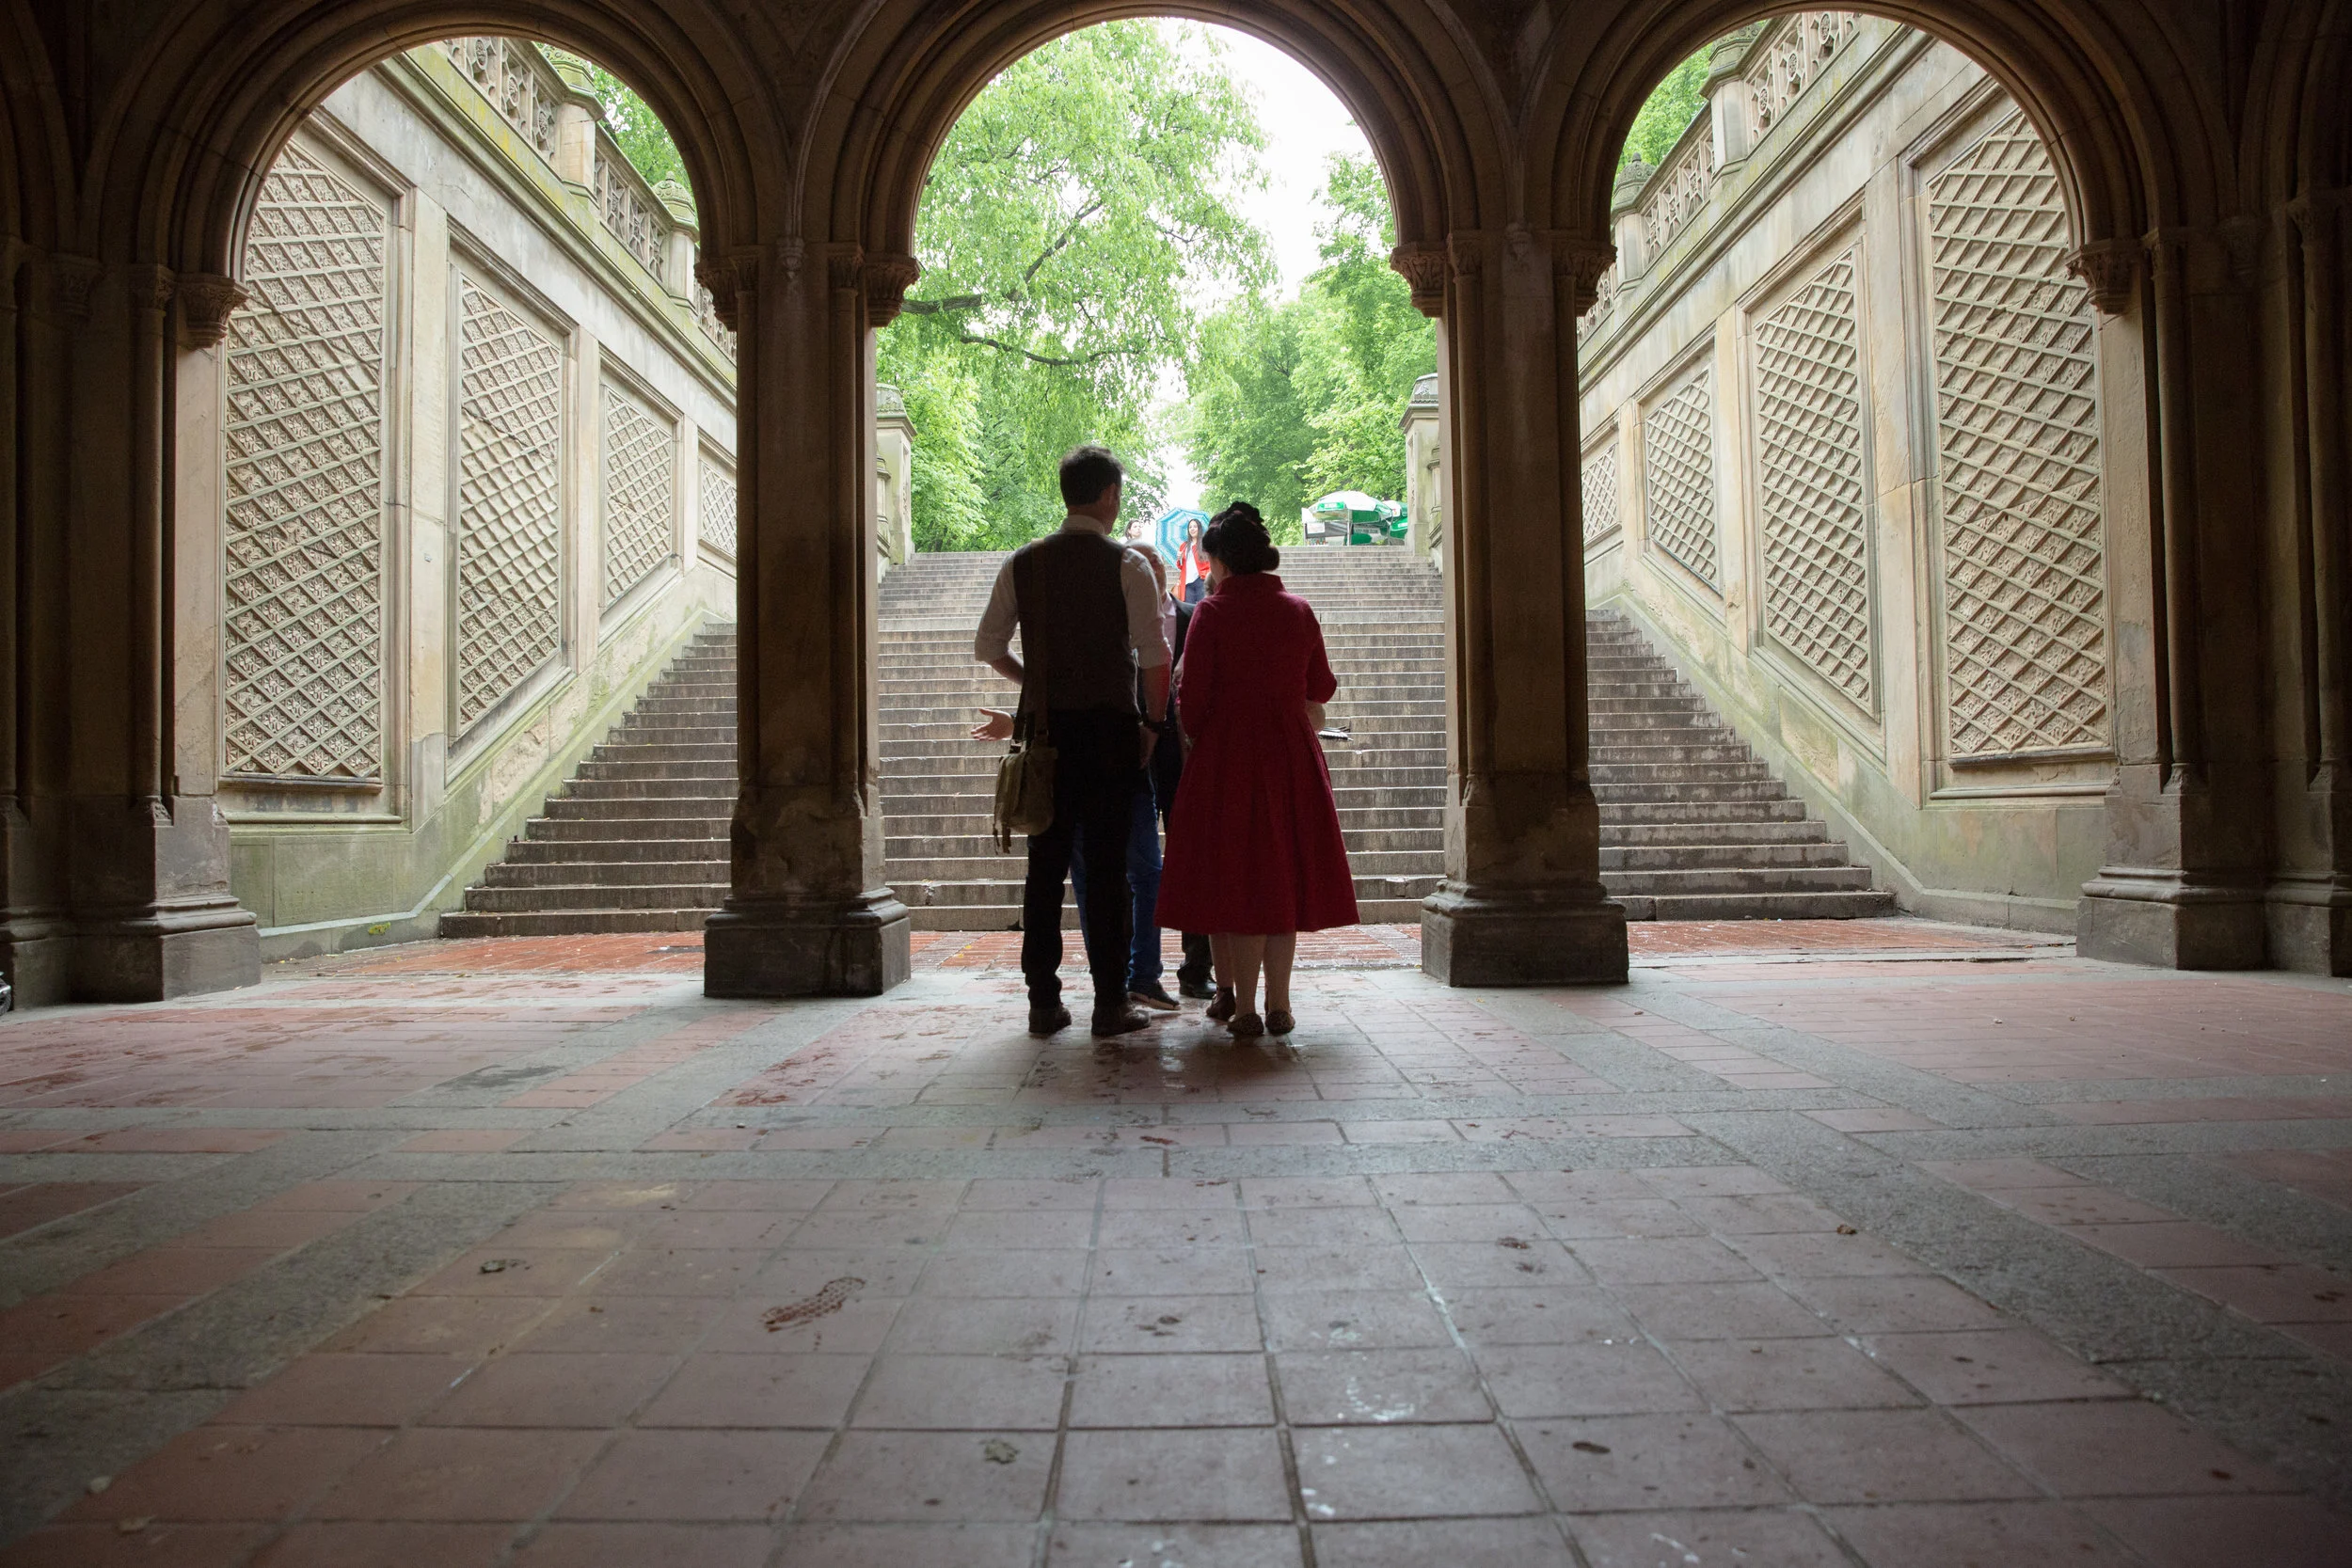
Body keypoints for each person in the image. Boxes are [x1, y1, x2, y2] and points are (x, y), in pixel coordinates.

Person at [974, 446, 1170, 1038]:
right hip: (1111, 736)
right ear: (1109, 495)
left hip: (1046, 737)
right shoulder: (1128, 566)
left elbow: (988, 647)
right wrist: (1153, 726)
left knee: (1044, 868)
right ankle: (1110, 1004)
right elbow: (1155, 657)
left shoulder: (1024, 563)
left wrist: (1036, 683)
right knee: (1108, 872)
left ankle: (1043, 1002)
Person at [1156, 502, 1358, 1036]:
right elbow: (1323, 687)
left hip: (1227, 759)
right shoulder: (1299, 610)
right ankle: (1279, 1003)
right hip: (1290, 756)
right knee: (1280, 878)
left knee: (1235, 877)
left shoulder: (1211, 613)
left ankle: (1242, 1005)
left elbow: (1193, 707)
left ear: (1222, 560)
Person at [1176, 515, 1209, 606]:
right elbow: (1181, 566)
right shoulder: (1184, 546)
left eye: (1195, 526)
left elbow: (1210, 562)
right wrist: (1179, 558)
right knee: (1189, 608)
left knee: (1203, 606)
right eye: (1190, 527)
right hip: (1187, 583)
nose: (1192, 529)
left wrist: (1206, 575)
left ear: (1199, 529)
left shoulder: (1204, 544)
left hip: (1201, 580)